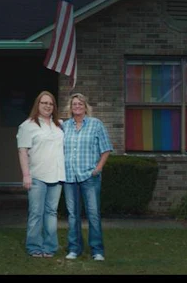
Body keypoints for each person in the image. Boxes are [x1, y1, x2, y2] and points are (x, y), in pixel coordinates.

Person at [62, 93, 113, 261]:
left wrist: (97, 169)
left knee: (93, 214)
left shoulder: (95, 124)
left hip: (89, 177)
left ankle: (97, 250)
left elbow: (106, 149)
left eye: (80, 104)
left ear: (85, 107)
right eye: (74, 104)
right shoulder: (65, 126)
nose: (77, 106)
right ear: (70, 107)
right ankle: (74, 249)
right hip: (70, 177)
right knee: (73, 215)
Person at [16, 90, 65, 258]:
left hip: (57, 176)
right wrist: (26, 175)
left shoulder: (58, 125)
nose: (48, 106)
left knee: (51, 212)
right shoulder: (28, 125)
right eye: (44, 103)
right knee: (36, 212)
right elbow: (22, 151)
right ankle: (34, 246)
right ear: (38, 104)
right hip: (37, 176)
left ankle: (50, 247)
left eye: (51, 104)